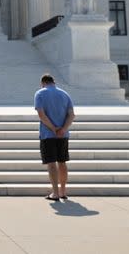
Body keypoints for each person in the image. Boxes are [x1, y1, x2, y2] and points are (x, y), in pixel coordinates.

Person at [34, 73, 75, 201]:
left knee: (51, 164)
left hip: (48, 134)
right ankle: (63, 191)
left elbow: (41, 115)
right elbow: (72, 115)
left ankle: (55, 193)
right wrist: (63, 129)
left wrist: (53, 128)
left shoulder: (40, 93)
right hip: (63, 135)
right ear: (54, 82)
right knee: (62, 162)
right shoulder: (65, 94)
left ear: (43, 83)